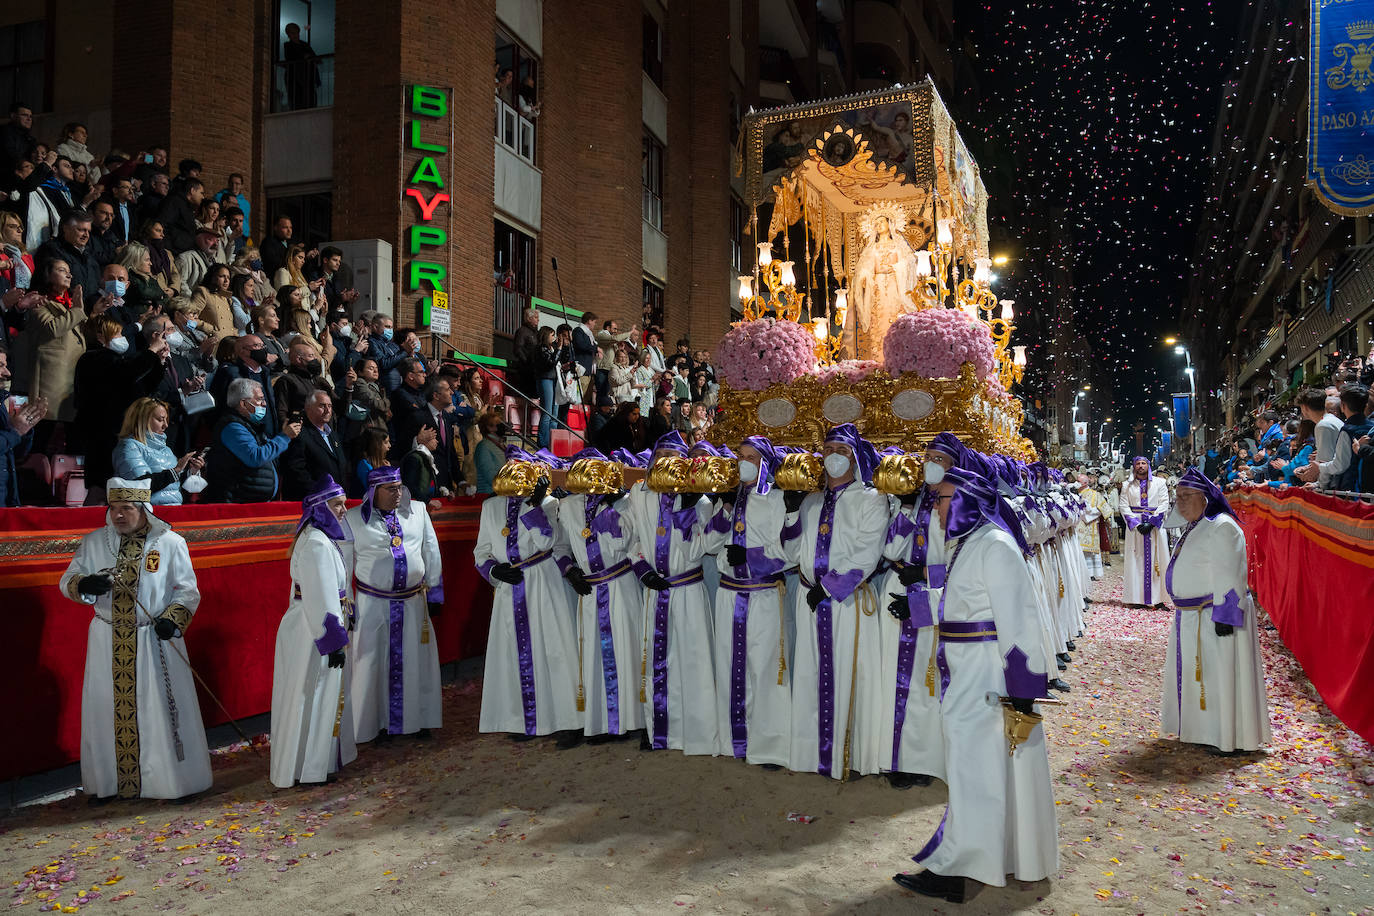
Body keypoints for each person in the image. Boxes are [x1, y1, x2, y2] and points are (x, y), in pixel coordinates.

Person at [892, 467, 1057, 902]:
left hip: (985, 676)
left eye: (943, 498)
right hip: (966, 671)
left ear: (967, 499)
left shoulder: (995, 545)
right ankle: (981, 859)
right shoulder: (968, 544)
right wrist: (915, 604)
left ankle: (963, 869)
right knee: (977, 768)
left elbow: (1019, 620)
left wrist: (1020, 690)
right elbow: (960, 603)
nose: (936, 507)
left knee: (975, 768)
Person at [58, 478, 212, 802]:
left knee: (157, 711)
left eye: (126, 508)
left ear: (143, 509)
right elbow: (68, 580)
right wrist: (85, 584)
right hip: (106, 639)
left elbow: (187, 591)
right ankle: (108, 783)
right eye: (113, 508)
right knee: (105, 709)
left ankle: (169, 783)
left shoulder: (169, 543)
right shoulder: (94, 542)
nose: (118, 515)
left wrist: (173, 620)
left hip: (153, 639)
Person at [785, 423, 889, 779]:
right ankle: (810, 753)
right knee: (811, 673)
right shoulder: (811, 502)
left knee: (850, 672)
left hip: (847, 604)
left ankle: (851, 756)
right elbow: (788, 551)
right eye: (828, 450)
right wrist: (789, 514)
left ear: (855, 457)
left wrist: (827, 588)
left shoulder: (871, 499)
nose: (834, 457)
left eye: (842, 451)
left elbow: (867, 553)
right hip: (808, 600)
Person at [475, 457, 583, 746]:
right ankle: (524, 718)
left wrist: (536, 505)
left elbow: (548, 542)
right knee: (513, 651)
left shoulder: (549, 505)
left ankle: (569, 721)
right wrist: (493, 570)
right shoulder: (490, 507)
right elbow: (482, 551)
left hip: (543, 582)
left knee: (556, 649)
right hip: (510, 588)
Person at [1163, 469, 1271, 754]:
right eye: (1178, 497)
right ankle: (1204, 731)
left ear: (1206, 498)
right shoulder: (1197, 525)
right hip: (1193, 617)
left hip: (1214, 616)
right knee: (1204, 678)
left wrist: (1225, 616)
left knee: (1221, 676)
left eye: (1187, 497)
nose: (1181, 503)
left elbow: (1230, 575)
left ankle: (1227, 738)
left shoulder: (1222, 526)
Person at [624, 431, 719, 754]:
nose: (666, 464)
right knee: (653, 661)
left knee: (692, 660)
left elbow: (703, 545)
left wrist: (689, 508)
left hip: (687, 589)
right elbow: (634, 539)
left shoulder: (699, 499)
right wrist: (643, 570)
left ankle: (697, 732)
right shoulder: (641, 494)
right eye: (661, 457)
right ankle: (656, 728)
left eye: (674, 459)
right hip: (655, 591)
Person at [879, 436, 965, 790]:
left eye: (938, 458)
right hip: (900, 591)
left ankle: (924, 760)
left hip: (934, 600)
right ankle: (895, 756)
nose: (929, 463)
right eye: (926, 457)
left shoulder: (958, 505)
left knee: (926, 684)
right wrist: (903, 511)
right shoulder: (915, 500)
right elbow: (890, 548)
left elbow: (962, 567)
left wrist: (925, 575)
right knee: (894, 681)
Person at [702, 436, 792, 767]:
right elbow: (709, 545)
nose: (745, 463)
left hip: (763, 593)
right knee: (730, 666)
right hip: (729, 593)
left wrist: (752, 557)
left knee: (764, 667)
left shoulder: (778, 499)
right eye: (741, 456)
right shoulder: (729, 498)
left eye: (753, 458)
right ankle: (733, 739)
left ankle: (769, 745)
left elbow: (788, 552)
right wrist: (724, 508)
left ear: (766, 463)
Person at [270, 475, 358, 788]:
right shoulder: (317, 544)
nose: (344, 510)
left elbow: (333, 589)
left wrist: (348, 611)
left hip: (314, 628)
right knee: (315, 693)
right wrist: (332, 640)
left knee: (316, 696)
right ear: (321, 509)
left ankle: (314, 762)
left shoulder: (320, 539)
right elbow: (319, 596)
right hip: (314, 633)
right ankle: (311, 767)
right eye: (338, 505)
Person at [346, 467, 445, 742]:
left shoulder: (418, 511)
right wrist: (348, 605)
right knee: (372, 665)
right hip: (372, 606)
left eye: (400, 487)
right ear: (373, 491)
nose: (398, 493)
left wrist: (435, 590)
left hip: (414, 604)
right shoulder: (353, 519)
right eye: (390, 489)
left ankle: (420, 718)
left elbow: (430, 548)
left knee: (417, 663)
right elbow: (344, 565)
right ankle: (375, 725)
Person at [555, 449, 646, 743]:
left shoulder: (625, 502)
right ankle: (601, 721)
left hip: (621, 584)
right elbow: (560, 545)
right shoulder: (566, 506)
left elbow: (634, 539)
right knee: (593, 654)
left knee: (627, 648)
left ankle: (634, 720)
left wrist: (610, 511)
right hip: (591, 591)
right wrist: (570, 570)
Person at [203, 377, 302, 502]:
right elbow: (255, 457)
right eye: (260, 399)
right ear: (243, 403)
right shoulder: (232, 427)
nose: (264, 404)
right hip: (236, 504)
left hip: (252, 503)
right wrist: (284, 437)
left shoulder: (250, 426)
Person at [112, 398, 204, 506]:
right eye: (160, 420)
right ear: (143, 420)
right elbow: (139, 487)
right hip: (147, 516)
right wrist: (176, 470)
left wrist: (192, 472)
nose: (166, 425)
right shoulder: (129, 447)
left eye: (166, 420)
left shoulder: (166, 450)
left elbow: (174, 488)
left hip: (174, 512)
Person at [1118, 456, 1170, 607]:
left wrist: (1152, 522)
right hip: (1136, 529)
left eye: (1143, 463)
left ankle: (1158, 598)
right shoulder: (1126, 485)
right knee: (1136, 560)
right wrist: (1135, 522)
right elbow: (1123, 505)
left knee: (1158, 559)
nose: (1141, 466)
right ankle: (1136, 599)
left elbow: (1164, 503)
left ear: (1148, 466)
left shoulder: (1160, 483)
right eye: (1138, 464)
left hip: (1155, 528)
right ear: (1134, 467)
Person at [283, 389, 349, 500]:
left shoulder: (333, 435)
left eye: (330, 406)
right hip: (314, 500)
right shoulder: (299, 433)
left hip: (336, 500)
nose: (328, 410)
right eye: (322, 406)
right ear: (308, 408)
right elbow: (296, 469)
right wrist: (319, 492)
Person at [0, 352, 46, 506]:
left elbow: (17, 454)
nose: (7, 373)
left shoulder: (2, 404)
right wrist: (15, 432)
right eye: (1, 366)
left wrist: (26, 429)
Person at [473, 413, 508, 494]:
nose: (502, 426)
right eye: (498, 423)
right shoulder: (484, 446)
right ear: (489, 427)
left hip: (500, 493)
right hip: (488, 495)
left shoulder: (500, 444)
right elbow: (489, 475)